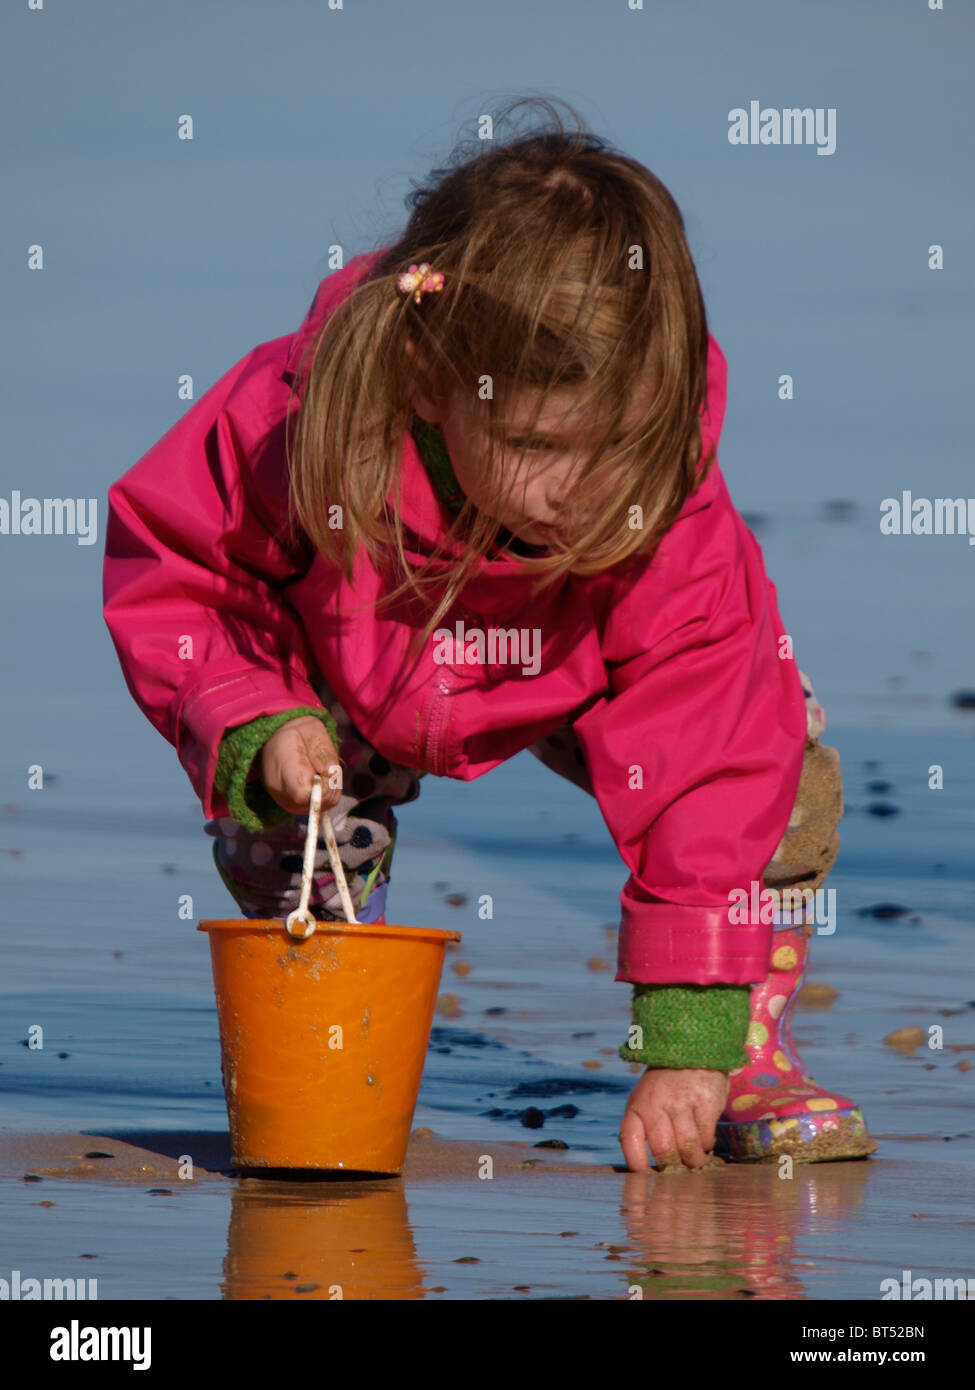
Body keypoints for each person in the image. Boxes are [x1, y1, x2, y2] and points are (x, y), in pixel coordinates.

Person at [102, 98, 875, 1171]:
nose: (585, 489)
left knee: (780, 758)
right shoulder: (302, 419)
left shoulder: (656, 510)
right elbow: (180, 569)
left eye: (623, 444)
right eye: (538, 444)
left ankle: (742, 1048)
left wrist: (684, 1030)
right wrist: (249, 716)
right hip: (337, 685)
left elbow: (710, 751)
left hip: (569, 681)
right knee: (296, 815)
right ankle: (325, 1032)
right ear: (431, 376)